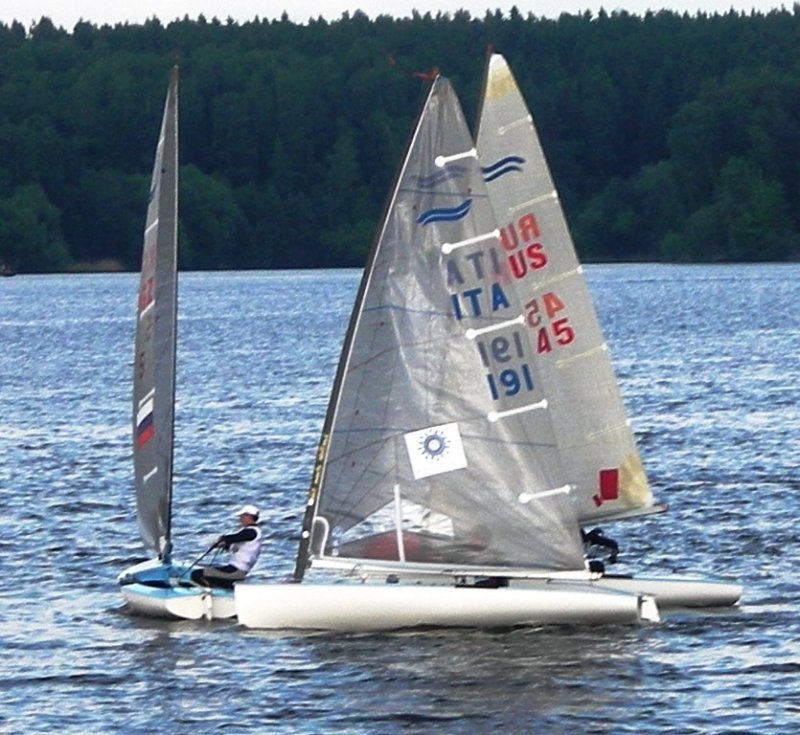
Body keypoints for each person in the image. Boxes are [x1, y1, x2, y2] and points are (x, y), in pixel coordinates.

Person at [190, 504, 263, 588]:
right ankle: (220, 587)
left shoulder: (252, 531)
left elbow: (236, 537)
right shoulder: (250, 533)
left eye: (242, 516)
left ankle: (209, 591)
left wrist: (223, 539)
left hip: (236, 572)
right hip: (234, 570)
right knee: (207, 573)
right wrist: (223, 545)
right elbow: (235, 545)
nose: (240, 519)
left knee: (196, 574)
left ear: (248, 516)